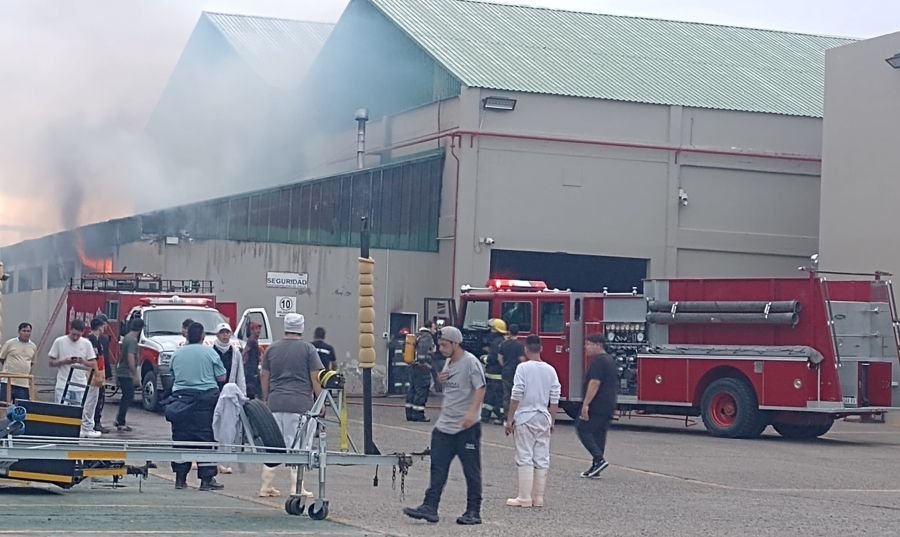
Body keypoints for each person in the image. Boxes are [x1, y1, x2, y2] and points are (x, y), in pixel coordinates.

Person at [403, 326, 486, 526]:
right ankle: (430, 506)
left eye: (444, 345)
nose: (440, 348)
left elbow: (480, 388)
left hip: (466, 428)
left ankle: (473, 511)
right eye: (439, 344)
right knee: (438, 469)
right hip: (444, 427)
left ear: (456, 343)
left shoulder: (471, 363)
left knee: (471, 471)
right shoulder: (449, 362)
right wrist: (441, 379)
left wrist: (471, 413)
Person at [258, 313, 323, 498]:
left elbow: (264, 375)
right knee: (300, 446)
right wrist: (320, 401)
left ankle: (266, 485)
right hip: (300, 403)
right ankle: (297, 486)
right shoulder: (308, 349)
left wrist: (266, 396)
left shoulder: (272, 349)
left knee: (273, 445)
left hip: (276, 402)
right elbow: (315, 377)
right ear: (301, 328)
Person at [167, 321, 226, 491]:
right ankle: (206, 479)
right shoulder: (210, 354)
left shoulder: (177, 354)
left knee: (180, 439)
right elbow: (222, 377)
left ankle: (180, 478)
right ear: (202, 336)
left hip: (180, 400)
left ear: (187, 335)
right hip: (205, 401)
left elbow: (172, 374)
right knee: (205, 439)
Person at [504, 335, 560, 508]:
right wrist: (552, 420)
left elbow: (516, 395)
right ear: (541, 348)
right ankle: (539, 497)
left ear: (526, 349)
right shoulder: (551, 370)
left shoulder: (523, 368)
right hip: (543, 416)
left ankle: (524, 497)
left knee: (525, 455)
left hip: (525, 415)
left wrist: (510, 419)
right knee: (542, 456)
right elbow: (555, 398)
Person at [48, 319, 100, 438]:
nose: (76, 337)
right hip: (63, 381)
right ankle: (61, 431)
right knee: (62, 408)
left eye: (78, 335)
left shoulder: (86, 343)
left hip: (80, 382)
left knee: (81, 410)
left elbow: (93, 363)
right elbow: (51, 362)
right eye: (73, 334)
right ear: (69, 330)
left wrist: (82, 361)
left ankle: (81, 430)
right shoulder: (59, 341)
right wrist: (64, 361)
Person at [577, 334, 618, 478]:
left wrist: (586, 404)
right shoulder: (609, 360)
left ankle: (599, 459)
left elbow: (594, 382)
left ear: (598, 345)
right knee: (599, 434)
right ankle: (596, 466)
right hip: (608, 403)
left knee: (583, 429)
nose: (585, 347)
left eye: (588, 344)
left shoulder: (599, 361)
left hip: (598, 404)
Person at [115, 319, 143, 433]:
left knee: (126, 396)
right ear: (140, 329)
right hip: (126, 372)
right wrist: (135, 373)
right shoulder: (132, 340)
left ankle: (120, 420)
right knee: (128, 397)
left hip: (122, 371)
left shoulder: (127, 337)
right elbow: (130, 356)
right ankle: (120, 421)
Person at [406, 325, 436, 422]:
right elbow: (422, 352)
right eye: (434, 328)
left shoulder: (417, 335)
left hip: (413, 367)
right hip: (421, 368)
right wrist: (424, 365)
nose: (435, 330)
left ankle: (409, 414)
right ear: (430, 328)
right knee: (421, 391)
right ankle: (418, 415)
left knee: (412, 390)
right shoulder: (427, 337)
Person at [0, 322, 36, 403]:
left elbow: (32, 362)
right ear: (19, 331)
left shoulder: (33, 346)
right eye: (24, 331)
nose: (26, 333)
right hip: (8, 381)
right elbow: (2, 358)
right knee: (3, 406)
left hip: (23, 383)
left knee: (21, 407)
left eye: (28, 331)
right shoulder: (10, 343)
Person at [480, 318, 506, 424]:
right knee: (491, 397)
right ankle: (485, 415)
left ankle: (500, 416)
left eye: (492, 329)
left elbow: (492, 358)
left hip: (494, 374)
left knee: (493, 397)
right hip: (498, 375)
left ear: (496, 330)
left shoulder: (496, 342)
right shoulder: (503, 341)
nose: (490, 331)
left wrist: (483, 358)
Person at [87, 317, 110, 433]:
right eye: (103, 326)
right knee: (93, 399)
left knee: (98, 398)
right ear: (100, 326)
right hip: (94, 374)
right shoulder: (92, 340)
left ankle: (94, 421)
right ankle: (92, 422)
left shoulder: (99, 339)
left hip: (100, 372)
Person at [499, 324, 525, 421]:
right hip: (516, 373)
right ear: (518, 332)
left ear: (509, 332)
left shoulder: (504, 344)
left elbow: (500, 358)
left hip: (506, 372)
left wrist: (505, 365)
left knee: (507, 395)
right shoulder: (520, 345)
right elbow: (522, 359)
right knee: (517, 394)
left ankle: (506, 415)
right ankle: (516, 415)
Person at [212, 323, 245, 394]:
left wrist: (243, 394)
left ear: (230, 334)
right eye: (222, 332)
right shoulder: (211, 351)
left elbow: (240, 375)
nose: (225, 334)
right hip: (214, 392)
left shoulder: (235, 352)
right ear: (217, 335)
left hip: (230, 392)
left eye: (227, 332)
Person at [243, 322, 262, 400]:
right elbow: (246, 353)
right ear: (252, 330)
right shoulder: (252, 341)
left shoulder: (254, 340)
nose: (258, 330)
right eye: (256, 328)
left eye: (259, 329)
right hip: (250, 370)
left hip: (252, 369)